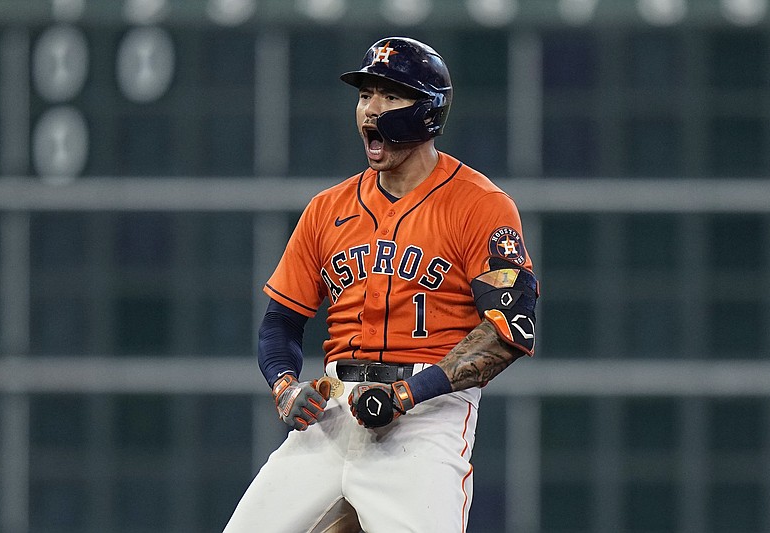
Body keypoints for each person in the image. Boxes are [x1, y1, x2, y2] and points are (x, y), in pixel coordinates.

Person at [223, 36, 539, 533]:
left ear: (429, 111)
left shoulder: (481, 204)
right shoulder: (328, 208)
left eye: (390, 96)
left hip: (425, 419)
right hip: (331, 411)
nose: (371, 109)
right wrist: (284, 386)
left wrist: (408, 396)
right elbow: (280, 324)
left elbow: (508, 329)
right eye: (365, 95)